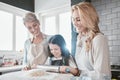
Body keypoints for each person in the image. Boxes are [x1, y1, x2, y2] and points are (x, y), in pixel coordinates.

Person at [71, 2, 111, 80]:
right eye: (73, 19)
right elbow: (82, 69)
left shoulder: (99, 39)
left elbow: (102, 76)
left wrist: (77, 75)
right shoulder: (80, 39)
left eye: (78, 19)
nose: (74, 23)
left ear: (89, 19)